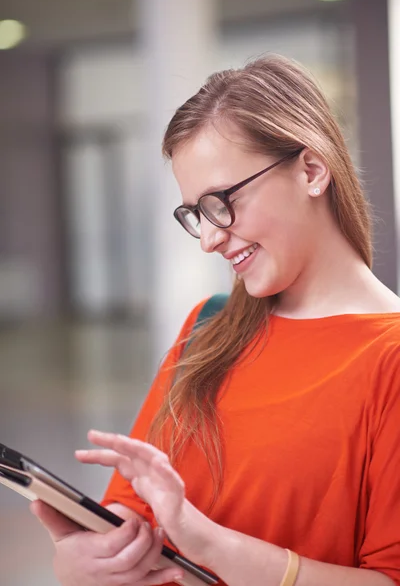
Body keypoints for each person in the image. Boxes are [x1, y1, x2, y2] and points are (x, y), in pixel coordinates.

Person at [31, 55, 400, 586]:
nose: (208, 238)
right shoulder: (208, 326)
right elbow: (134, 514)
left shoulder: (388, 358)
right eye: (195, 215)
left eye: (221, 202)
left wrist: (208, 544)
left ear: (312, 171)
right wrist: (87, 561)